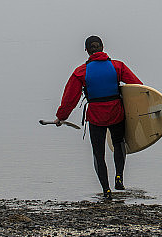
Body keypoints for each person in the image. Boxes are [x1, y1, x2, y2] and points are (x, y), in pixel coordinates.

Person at [54, 35, 142, 199]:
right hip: (116, 113)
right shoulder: (118, 66)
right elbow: (137, 87)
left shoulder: (81, 72)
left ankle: (106, 190)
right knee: (118, 143)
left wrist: (61, 116)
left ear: (87, 50)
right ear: (102, 47)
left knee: (98, 153)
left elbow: (69, 99)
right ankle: (119, 178)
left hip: (96, 116)